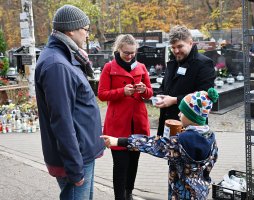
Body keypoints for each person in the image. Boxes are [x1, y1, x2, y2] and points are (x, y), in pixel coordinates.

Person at [35, 5, 105, 200]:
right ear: (71, 30)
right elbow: (62, 121)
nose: (88, 35)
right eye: (86, 29)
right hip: (76, 159)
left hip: (82, 152)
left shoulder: (65, 57)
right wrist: (74, 168)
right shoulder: (57, 65)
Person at [102, 88, 219, 200]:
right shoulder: (211, 137)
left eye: (182, 112)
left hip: (181, 194)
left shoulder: (181, 142)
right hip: (201, 191)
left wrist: (118, 141)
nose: (178, 114)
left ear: (192, 116)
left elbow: (152, 144)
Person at [97, 34, 153, 200]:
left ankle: (129, 193)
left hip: (137, 123)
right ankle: (119, 197)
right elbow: (101, 94)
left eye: (132, 53)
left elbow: (150, 93)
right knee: (120, 164)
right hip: (118, 124)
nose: (129, 56)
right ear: (118, 50)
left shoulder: (141, 67)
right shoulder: (109, 68)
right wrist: (122, 92)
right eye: (126, 53)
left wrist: (144, 90)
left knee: (134, 163)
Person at [156, 25, 216, 136]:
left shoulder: (203, 64)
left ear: (190, 42)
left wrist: (174, 100)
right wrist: (160, 95)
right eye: (173, 47)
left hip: (190, 127)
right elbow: (165, 86)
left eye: (180, 46)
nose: (176, 51)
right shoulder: (173, 62)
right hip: (167, 124)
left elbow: (204, 97)